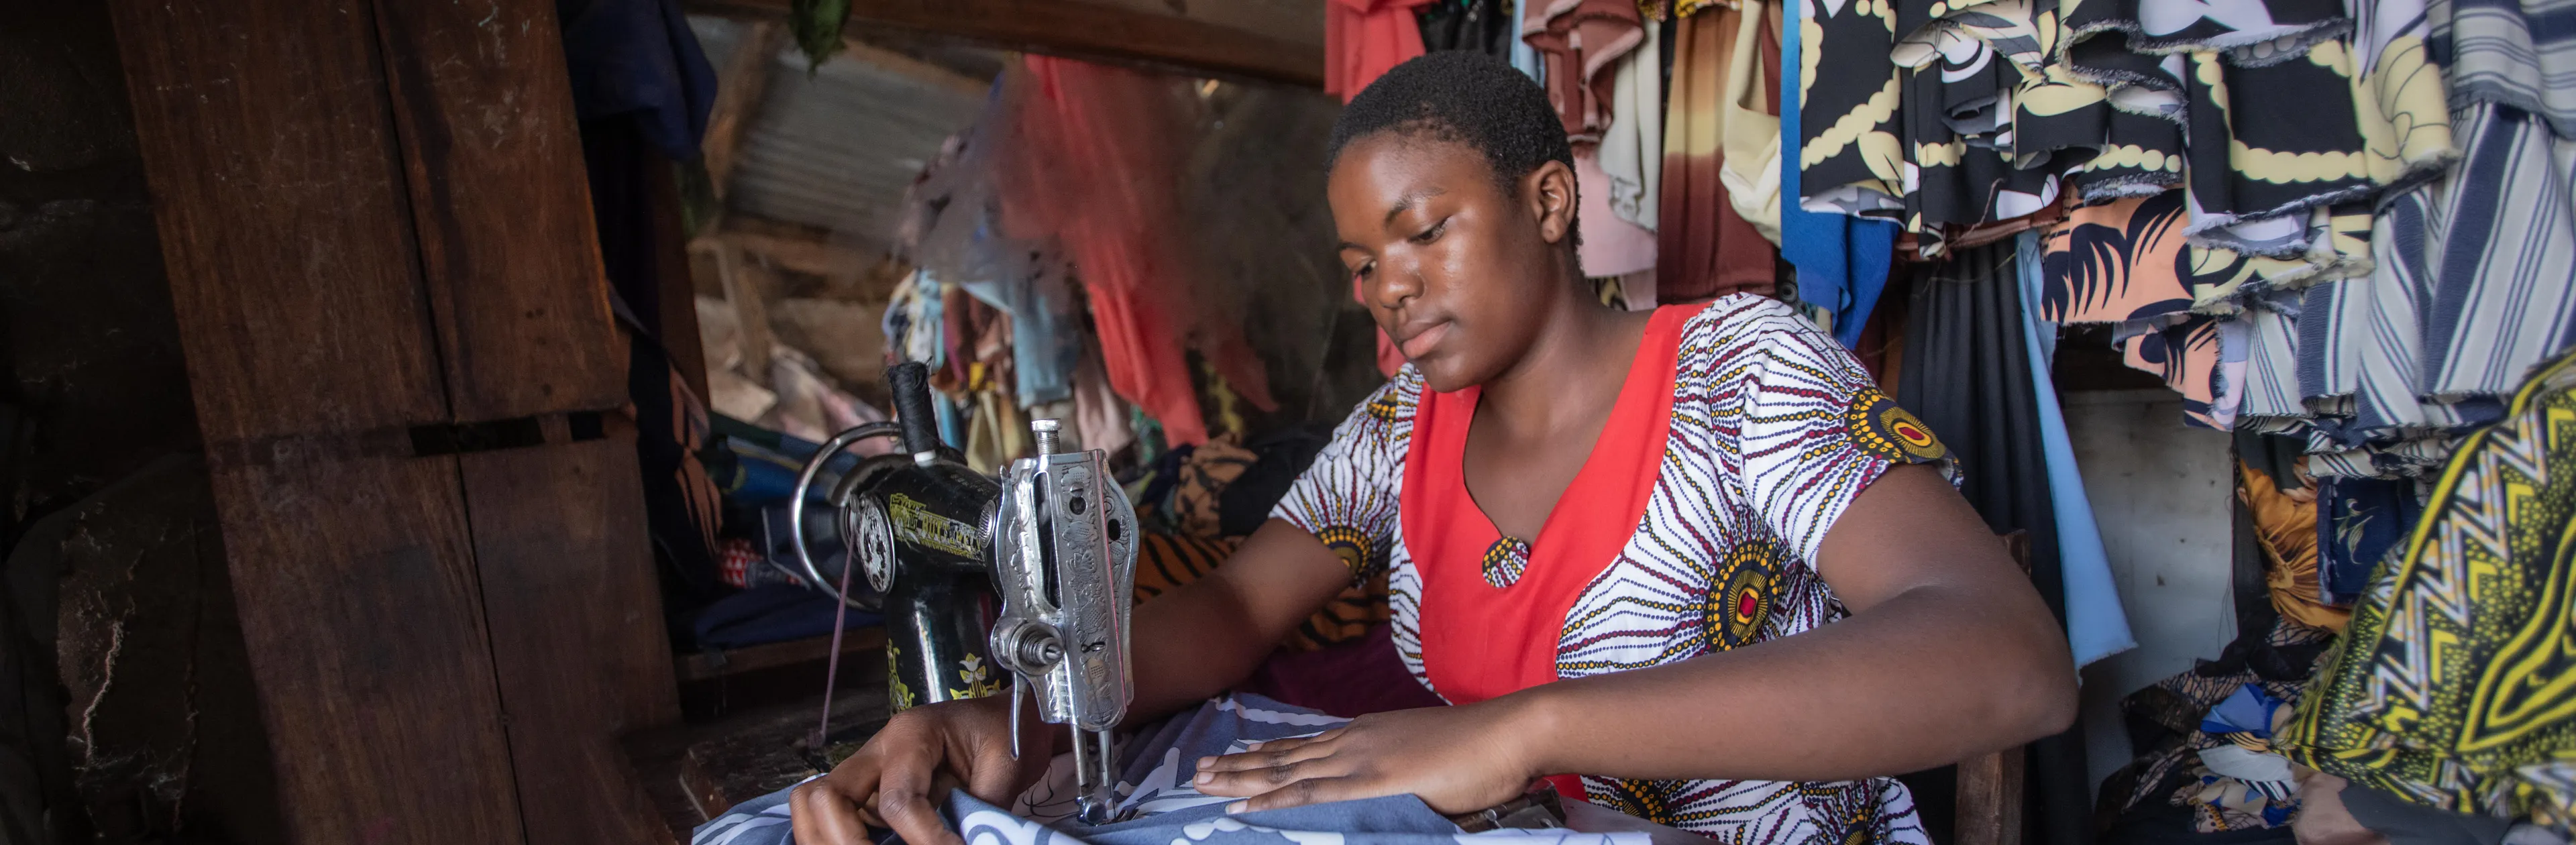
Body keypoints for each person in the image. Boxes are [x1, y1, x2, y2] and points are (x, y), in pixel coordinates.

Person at [790, 51, 2076, 845]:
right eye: (1360, 264)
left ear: (1550, 200)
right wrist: (1029, 712)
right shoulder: (1399, 434)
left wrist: (1522, 729)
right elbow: (1237, 606)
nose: (1386, 290)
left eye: (1423, 234)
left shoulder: (1741, 369)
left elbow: (2010, 662)